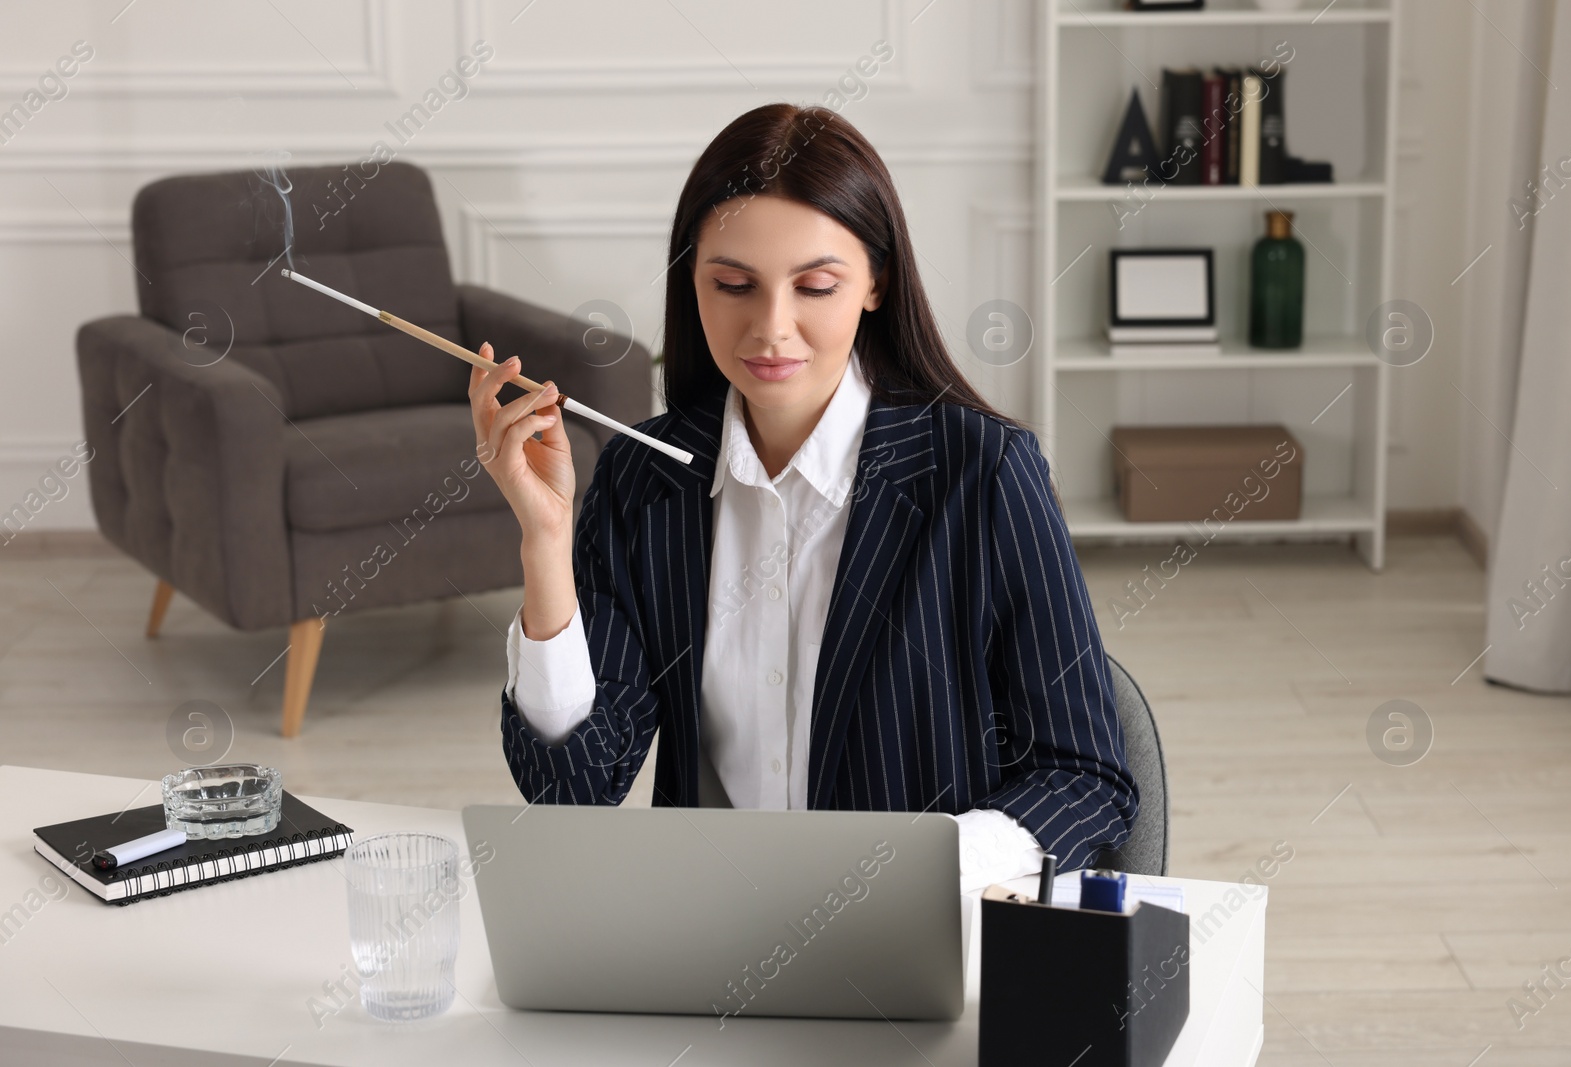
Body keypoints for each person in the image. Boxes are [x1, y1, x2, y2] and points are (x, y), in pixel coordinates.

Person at [469, 103, 1136, 891]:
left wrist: (916, 876)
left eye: (815, 286)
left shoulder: (985, 474)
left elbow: (1086, 777)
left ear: (876, 283)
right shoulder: (641, 480)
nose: (771, 328)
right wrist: (545, 544)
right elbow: (570, 789)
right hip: (703, 940)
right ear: (694, 281)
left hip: (911, 945)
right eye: (733, 284)